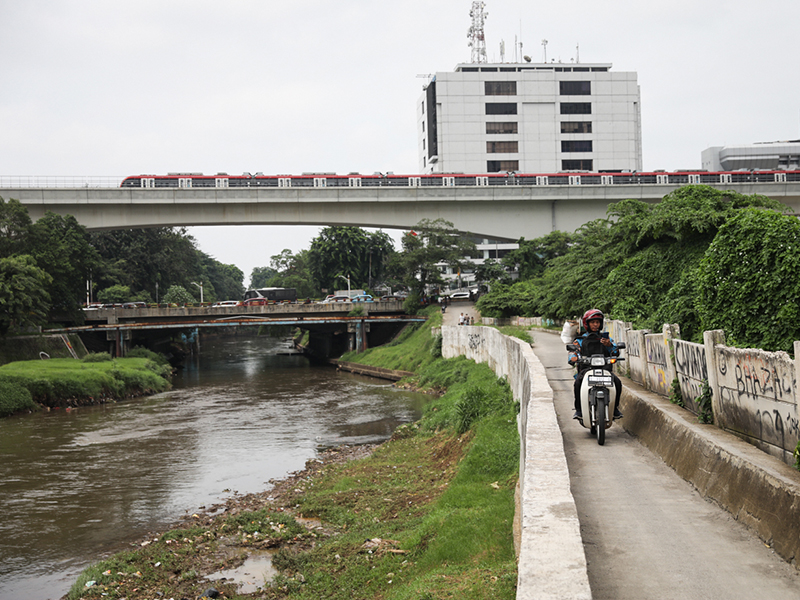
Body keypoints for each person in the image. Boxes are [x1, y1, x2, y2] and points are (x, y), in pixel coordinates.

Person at [568, 309, 623, 420]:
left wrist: (609, 345)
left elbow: (616, 352)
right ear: (587, 324)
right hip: (586, 369)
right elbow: (573, 352)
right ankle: (579, 410)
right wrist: (573, 357)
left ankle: (615, 409)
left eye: (597, 322)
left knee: (617, 382)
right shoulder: (580, 340)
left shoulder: (606, 339)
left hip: (605, 369)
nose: (595, 324)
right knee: (577, 383)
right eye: (592, 322)